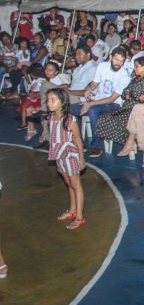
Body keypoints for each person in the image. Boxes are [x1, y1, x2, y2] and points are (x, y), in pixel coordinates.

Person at [72, 47, 131, 158]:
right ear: (111, 57)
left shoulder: (125, 76)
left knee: (93, 110)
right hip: (97, 100)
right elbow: (94, 83)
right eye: (116, 59)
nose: (118, 63)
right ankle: (79, 141)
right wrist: (88, 90)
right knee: (72, 109)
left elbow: (111, 99)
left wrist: (89, 104)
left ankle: (97, 145)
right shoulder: (102, 66)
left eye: (121, 61)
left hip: (114, 105)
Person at [47, 88, 86, 230]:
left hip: (69, 155)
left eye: (53, 100)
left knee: (76, 185)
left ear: (62, 102)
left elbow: (77, 139)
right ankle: (72, 210)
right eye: (48, 100)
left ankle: (79, 217)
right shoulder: (51, 117)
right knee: (69, 183)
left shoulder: (69, 119)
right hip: (59, 155)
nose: (49, 103)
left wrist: (81, 158)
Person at [95, 57, 144, 148]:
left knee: (111, 120)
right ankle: (130, 142)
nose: (134, 69)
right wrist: (129, 94)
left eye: (136, 67)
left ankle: (129, 142)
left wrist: (129, 93)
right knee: (104, 117)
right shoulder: (135, 79)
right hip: (126, 107)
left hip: (135, 110)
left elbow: (136, 94)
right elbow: (124, 93)